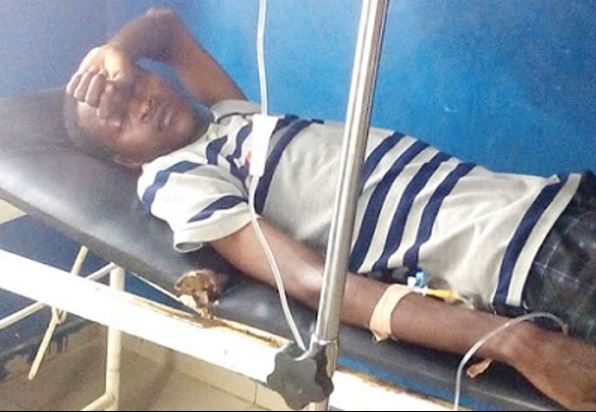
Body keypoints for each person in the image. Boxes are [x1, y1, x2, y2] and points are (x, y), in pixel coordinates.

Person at [63, 8, 596, 410]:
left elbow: (166, 28)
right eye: (119, 117)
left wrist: (117, 50)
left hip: (546, 200)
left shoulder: (231, 118)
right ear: (123, 160)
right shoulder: (177, 178)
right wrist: (520, 343)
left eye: (136, 83)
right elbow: (313, 283)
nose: (142, 103)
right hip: (522, 261)